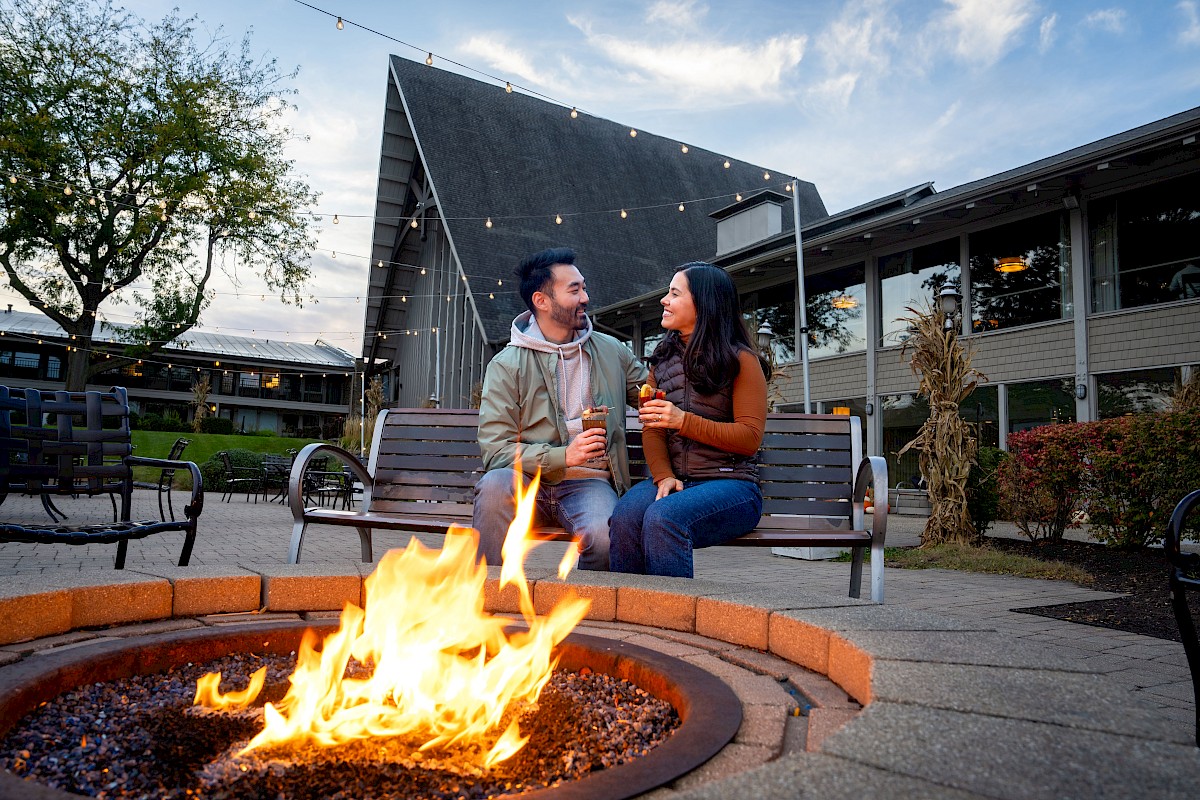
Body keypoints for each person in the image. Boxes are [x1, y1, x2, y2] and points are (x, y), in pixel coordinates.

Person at [472, 247, 647, 570]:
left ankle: (585, 600)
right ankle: (488, 594)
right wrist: (563, 456)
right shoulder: (507, 365)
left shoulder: (612, 352)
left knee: (606, 537)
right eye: (574, 290)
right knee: (495, 486)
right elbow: (496, 451)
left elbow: (655, 396)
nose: (586, 298)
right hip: (526, 480)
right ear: (541, 300)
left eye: (584, 288)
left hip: (591, 483)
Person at [609, 262, 770, 578]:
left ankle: (671, 609)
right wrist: (663, 476)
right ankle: (629, 605)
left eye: (674, 293)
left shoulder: (741, 361)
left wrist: (683, 421)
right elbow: (653, 428)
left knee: (664, 518)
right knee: (625, 517)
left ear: (703, 303)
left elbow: (749, 438)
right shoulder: (662, 361)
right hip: (677, 481)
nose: (664, 300)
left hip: (733, 486)